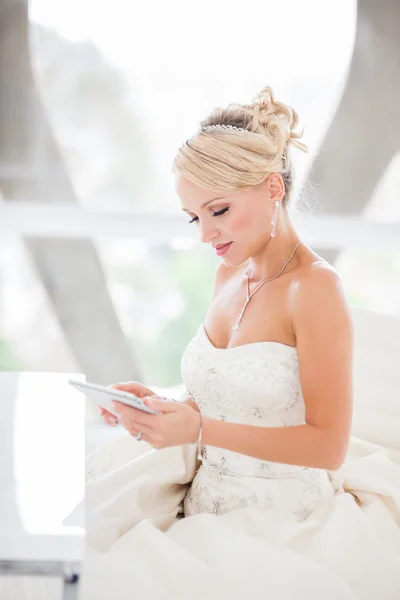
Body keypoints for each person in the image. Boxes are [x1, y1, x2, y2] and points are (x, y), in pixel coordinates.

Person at [3, 86, 399, 599]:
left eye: (219, 211)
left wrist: (200, 428)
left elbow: (327, 445)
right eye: (195, 218)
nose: (206, 236)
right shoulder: (229, 277)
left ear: (272, 188)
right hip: (200, 505)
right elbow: (230, 397)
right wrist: (158, 406)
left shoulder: (314, 289)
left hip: (282, 524)